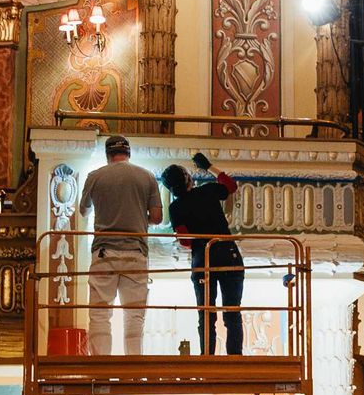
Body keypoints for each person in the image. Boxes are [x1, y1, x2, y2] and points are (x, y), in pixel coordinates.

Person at [80, 134, 161, 356]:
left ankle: (101, 370)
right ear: (129, 153)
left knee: (100, 313)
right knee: (134, 315)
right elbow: (156, 217)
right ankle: (132, 369)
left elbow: (83, 210)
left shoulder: (95, 176)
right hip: (135, 252)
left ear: (108, 155)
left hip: (104, 252)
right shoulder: (146, 177)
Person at [161, 151, 243, 355]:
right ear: (188, 178)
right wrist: (209, 166)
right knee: (232, 312)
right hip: (227, 253)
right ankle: (235, 359)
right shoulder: (207, 191)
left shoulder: (175, 207)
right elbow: (231, 186)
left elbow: (186, 240)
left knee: (206, 314)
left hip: (203, 258)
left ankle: (208, 356)